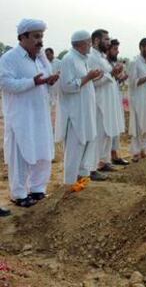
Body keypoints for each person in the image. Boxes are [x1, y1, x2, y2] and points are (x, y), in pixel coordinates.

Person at [0, 19, 59, 207]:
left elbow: (43, 80)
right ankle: (19, 194)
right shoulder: (9, 58)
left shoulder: (41, 57)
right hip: (20, 115)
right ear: (22, 37)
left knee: (42, 150)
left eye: (41, 36)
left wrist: (49, 81)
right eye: (35, 36)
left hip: (40, 113)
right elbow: (5, 83)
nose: (40, 40)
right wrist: (32, 82)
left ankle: (37, 189)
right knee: (20, 154)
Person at [55, 30, 102, 192]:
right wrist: (88, 77)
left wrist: (93, 76)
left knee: (87, 142)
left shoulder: (84, 59)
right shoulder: (69, 59)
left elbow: (84, 81)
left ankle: (82, 179)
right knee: (75, 148)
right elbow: (66, 86)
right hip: (75, 113)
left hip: (86, 111)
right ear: (81, 44)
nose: (91, 45)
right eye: (89, 42)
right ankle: (69, 184)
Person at [88, 29, 124, 178]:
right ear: (96, 41)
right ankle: (92, 167)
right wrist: (111, 74)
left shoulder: (102, 57)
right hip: (99, 102)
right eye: (106, 40)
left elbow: (108, 76)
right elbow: (92, 81)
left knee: (108, 133)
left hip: (110, 101)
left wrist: (114, 73)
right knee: (99, 135)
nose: (109, 42)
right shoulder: (92, 57)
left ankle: (104, 162)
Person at [106, 39, 129, 165]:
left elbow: (115, 81)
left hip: (116, 97)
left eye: (117, 49)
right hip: (107, 100)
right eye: (114, 49)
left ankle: (114, 155)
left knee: (116, 128)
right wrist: (114, 73)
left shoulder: (114, 64)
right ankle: (106, 158)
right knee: (109, 129)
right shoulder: (105, 63)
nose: (117, 51)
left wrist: (121, 77)